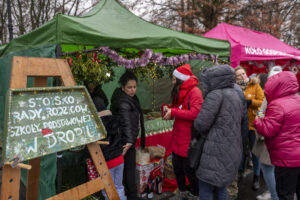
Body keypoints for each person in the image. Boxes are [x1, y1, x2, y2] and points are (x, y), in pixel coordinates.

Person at [192, 64, 243, 200]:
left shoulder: (215, 95)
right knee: (221, 186)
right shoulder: (236, 93)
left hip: (214, 150)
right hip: (231, 148)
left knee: (205, 187)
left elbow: (201, 124)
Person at [254, 71, 300, 200]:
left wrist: (258, 119)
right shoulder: (298, 99)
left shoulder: (277, 104)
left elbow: (267, 129)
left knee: (285, 194)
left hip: (286, 159)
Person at [163, 64, 203, 200]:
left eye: (174, 79)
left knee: (190, 171)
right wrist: (168, 109)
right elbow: (178, 108)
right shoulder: (179, 91)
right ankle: (182, 192)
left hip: (188, 139)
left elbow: (195, 113)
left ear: (181, 79)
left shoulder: (195, 91)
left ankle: (195, 194)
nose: (172, 82)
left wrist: (174, 111)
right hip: (177, 138)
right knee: (177, 168)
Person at [86, 83, 127, 200]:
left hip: (107, 161)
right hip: (119, 159)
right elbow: (123, 137)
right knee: (119, 186)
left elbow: (93, 147)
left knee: (107, 190)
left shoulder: (95, 125)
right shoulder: (114, 118)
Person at [110, 71, 145, 200]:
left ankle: (127, 195)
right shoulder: (123, 102)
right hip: (124, 142)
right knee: (128, 170)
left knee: (124, 169)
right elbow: (126, 122)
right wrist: (130, 141)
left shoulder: (130, 98)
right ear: (122, 87)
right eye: (129, 87)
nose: (132, 90)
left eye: (134, 87)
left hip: (124, 139)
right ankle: (130, 196)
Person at [253, 69, 281, 200]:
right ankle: (273, 193)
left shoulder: (270, 96)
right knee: (274, 169)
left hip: (269, 138)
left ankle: (274, 195)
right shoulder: (292, 96)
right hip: (282, 140)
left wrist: (258, 122)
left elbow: (261, 113)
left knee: (268, 168)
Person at [235, 66, 264, 190]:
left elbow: (261, 101)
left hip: (253, 124)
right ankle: (240, 171)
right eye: (239, 75)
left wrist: (250, 102)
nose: (243, 76)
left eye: (243, 73)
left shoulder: (254, 84)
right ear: (235, 78)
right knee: (239, 150)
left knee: (255, 151)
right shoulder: (235, 88)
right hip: (239, 124)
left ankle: (256, 176)